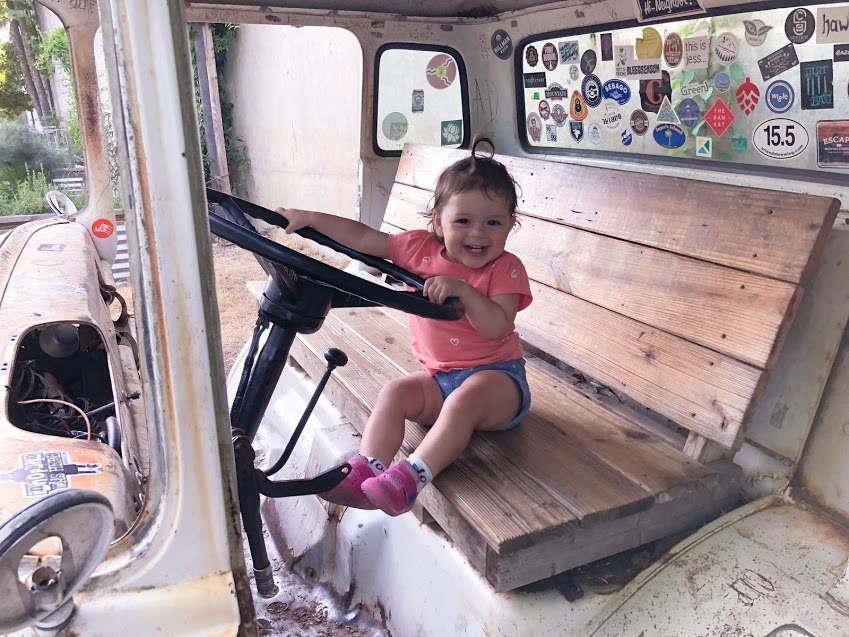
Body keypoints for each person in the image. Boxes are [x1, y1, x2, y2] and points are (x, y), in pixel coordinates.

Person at [277, 149, 532, 516]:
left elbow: (497, 326)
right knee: (396, 391)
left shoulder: (506, 268)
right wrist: (310, 219)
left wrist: (467, 292)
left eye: (493, 223)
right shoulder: (420, 249)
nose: (478, 233)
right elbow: (363, 239)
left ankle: (410, 479)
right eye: (463, 220)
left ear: (510, 225)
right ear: (438, 221)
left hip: (499, 385)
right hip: (440, 379)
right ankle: (367, 469)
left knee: (465, 400)